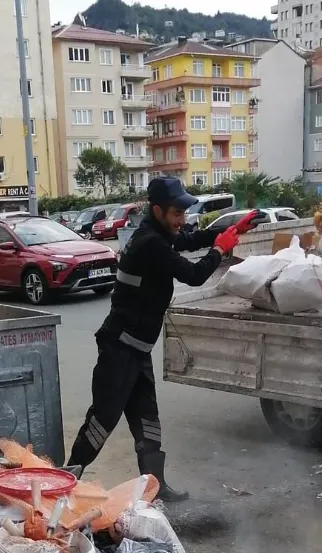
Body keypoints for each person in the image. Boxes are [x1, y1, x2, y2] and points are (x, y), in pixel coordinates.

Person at [67, 177, 257, 502]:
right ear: (157, 211)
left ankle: (154, 488)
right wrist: (220, 249)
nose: (182, 219)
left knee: (147, 419)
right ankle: (69, 479)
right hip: (119, 347)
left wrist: (231, 230)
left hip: (137, 349)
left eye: (184, 212)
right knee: (103, 418)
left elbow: (188, 239)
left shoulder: (158, 234)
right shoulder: (150, 244)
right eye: (176, 213)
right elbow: (194, 275)